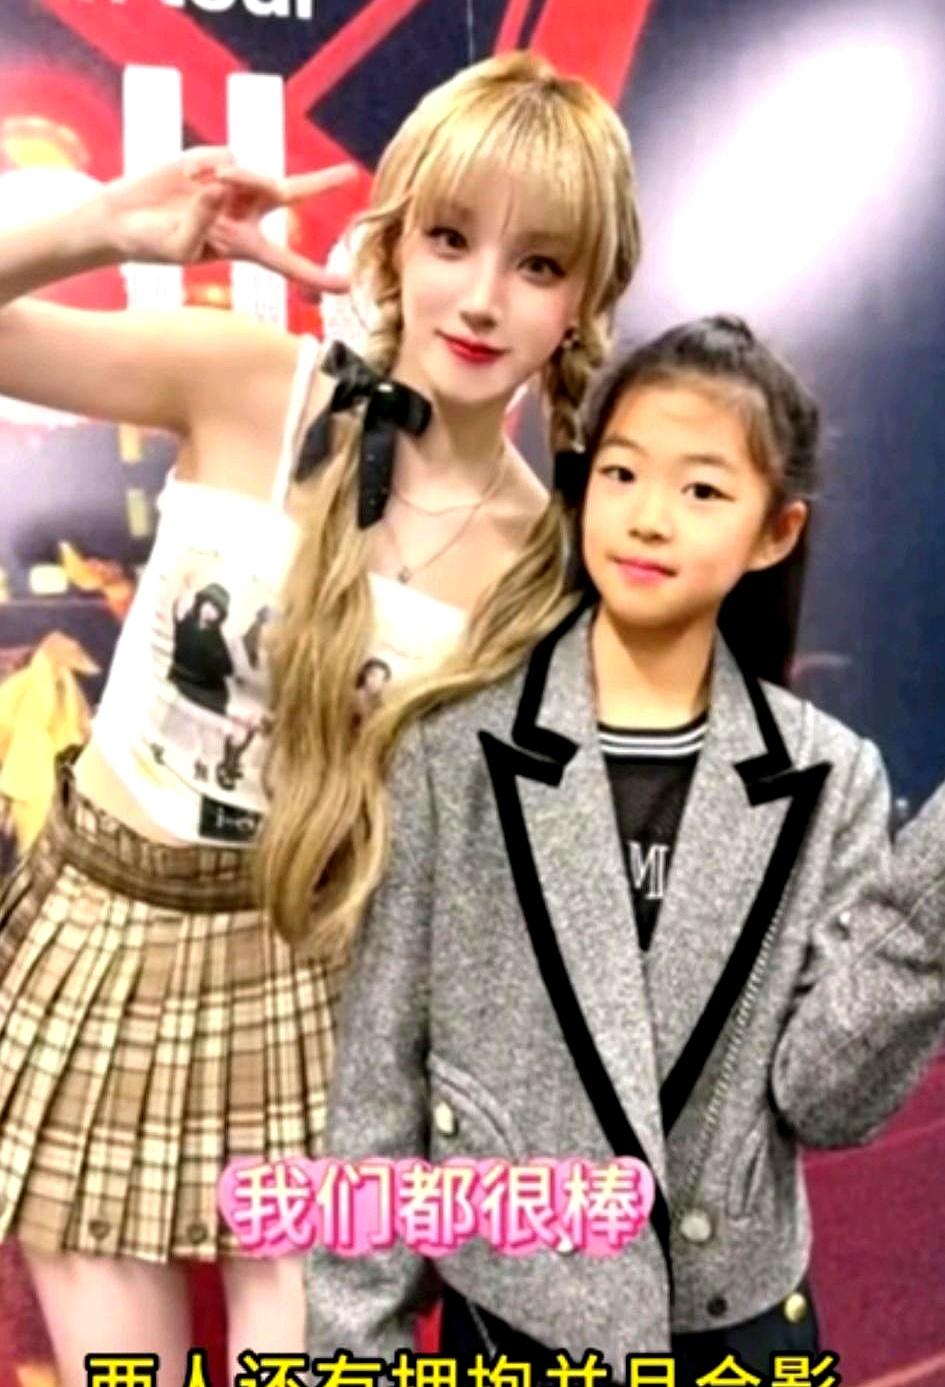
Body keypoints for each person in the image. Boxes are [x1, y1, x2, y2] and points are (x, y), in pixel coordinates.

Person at [0, 52, 641, 1385]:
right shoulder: (252, 381)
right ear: (393, 240)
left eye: (537, 263)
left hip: (320, 993)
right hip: (101, 950)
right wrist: (105, 224)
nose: (481, 297)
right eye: (450, 238)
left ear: (585, 298)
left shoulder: (550, 569)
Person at [306, 316, 945, 1373]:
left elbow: (827, 1098)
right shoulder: (451, 754)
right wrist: (350, 1354)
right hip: (511, 1331)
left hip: (733, 1337)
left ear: (775, 531)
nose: (649, 517)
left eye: (702, 489)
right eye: (621, 473)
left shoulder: (830, 776)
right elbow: (378, 1093)